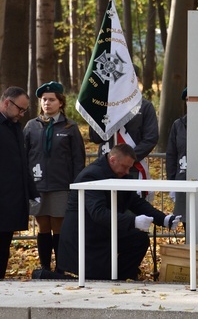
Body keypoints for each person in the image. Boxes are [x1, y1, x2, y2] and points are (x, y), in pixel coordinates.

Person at [58, 144, 181, 280]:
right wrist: (133, 221)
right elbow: (98, 213)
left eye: (130, 167)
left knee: (138, 240)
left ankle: (122, 277)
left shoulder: (121, 174)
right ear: (112, 160)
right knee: (98, 278)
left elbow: (135, 202)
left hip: (104, 229)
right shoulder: (91, 175)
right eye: (125, 166)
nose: (128, 172)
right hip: (85, 235)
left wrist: (163, 219)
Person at [23, 81, 86, 272]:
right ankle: (44, 266)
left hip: (61, 185)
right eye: (44, 100)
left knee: (58, 224)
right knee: (43, 225)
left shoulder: (70, 127)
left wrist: (76, 185)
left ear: (60, 102)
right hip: (38, 185)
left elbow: (78, 159)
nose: (47, 103)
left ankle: (60, 266)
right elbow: (23, 155)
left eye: (51, 100)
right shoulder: (31, 126)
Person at [89, 64, 158, 182]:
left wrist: (126, 160)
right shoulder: (103, 105)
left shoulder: (145, 106)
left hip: (132, 167)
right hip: (105, 166)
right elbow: (95, 137)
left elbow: (150, 138)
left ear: (136, 80)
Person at [0, 86, 39, 278]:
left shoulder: (15, 126)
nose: (22, 114)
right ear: (7, 103)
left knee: (3, 246)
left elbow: (23, 163)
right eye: (20, 109)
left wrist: (32, 192)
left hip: (11, 199)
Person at [166, 87, 188, 229]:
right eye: (187, 100)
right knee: (187, 220)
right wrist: (171, 183)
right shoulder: (178, 125)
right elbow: (171, 155)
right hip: (183, 178)